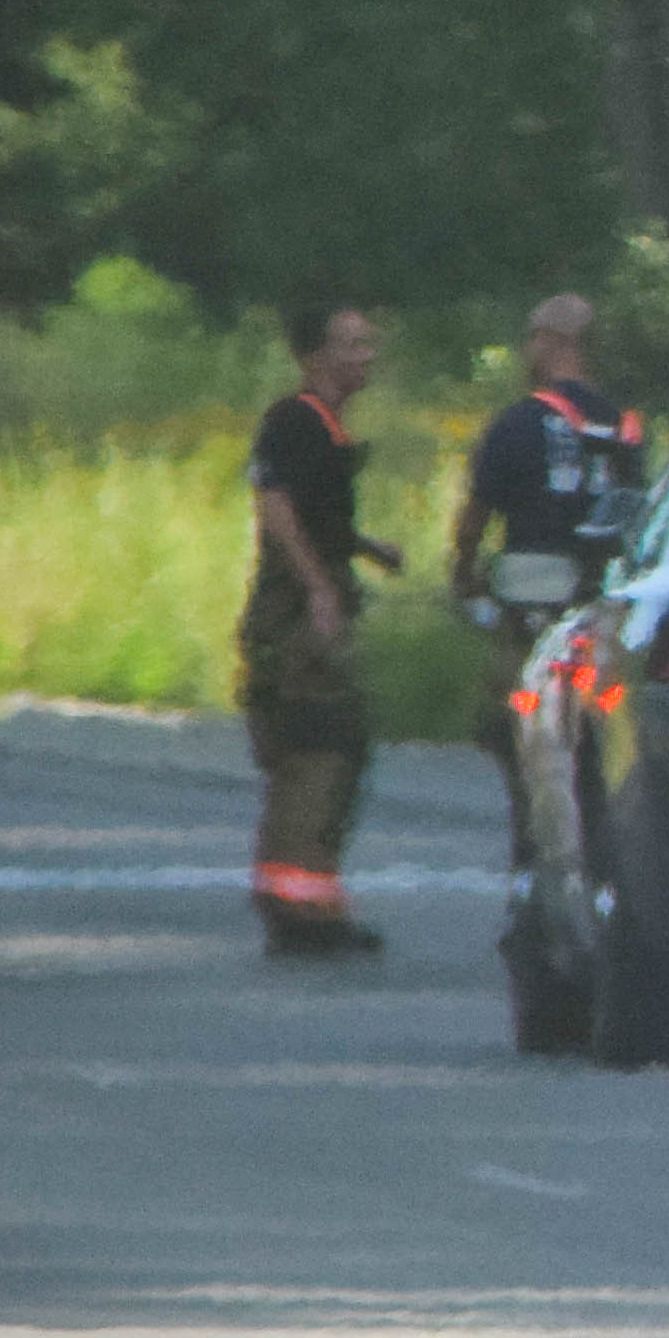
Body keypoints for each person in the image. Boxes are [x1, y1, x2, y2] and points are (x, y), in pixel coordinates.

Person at [449, 294, 645, 861]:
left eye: (534, 337)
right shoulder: (626, 428)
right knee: (602, 733)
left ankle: (534, 852)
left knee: (517, 726)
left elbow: (476, 514)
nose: (527, 350)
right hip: (605, 607)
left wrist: (462, 573)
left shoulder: (518, 422)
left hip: (532, 607)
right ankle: (603, 846)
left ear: (556, 341)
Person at [241, 302, 403, 956]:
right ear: (313, 356)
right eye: (351, 344)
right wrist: (318, 588)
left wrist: (364, 548)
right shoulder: (294, 420)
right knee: (318, 746)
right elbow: (276, 505)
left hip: (317, 595)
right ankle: (299, 911)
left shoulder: (325, 426)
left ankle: (309, 900)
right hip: (298, 612)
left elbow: (315, 513)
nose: (366, 355)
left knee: (334, 752)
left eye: (370, 343)